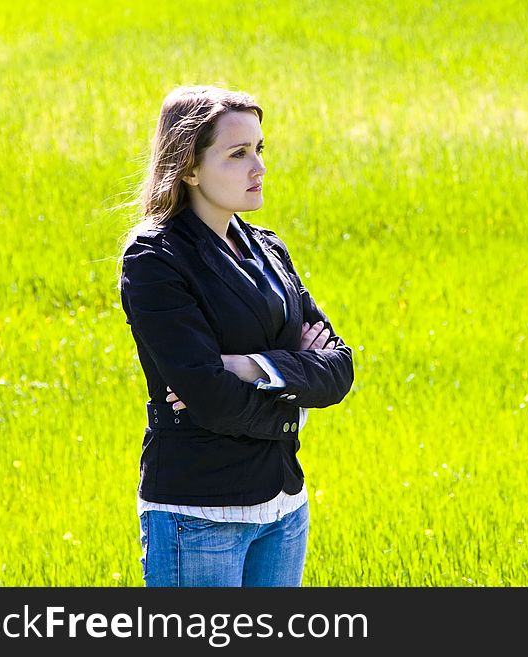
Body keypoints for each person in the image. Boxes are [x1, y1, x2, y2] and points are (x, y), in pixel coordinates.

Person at [117, 85, 354, 587]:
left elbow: (339, 368)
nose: (259, 167)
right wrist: (294, 397)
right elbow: (209, 398)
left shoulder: (268, 248)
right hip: (200, 515)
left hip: (284, 509)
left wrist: (251, 367)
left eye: (259, 149)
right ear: (190, 168)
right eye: (238, 153)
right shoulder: (154, 260)